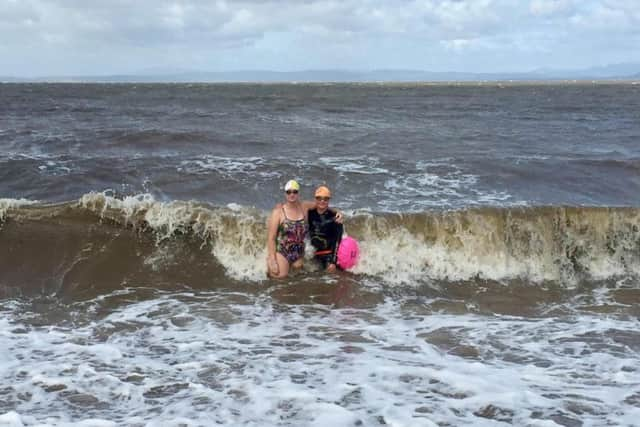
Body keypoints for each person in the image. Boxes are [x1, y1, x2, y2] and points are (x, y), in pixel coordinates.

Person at [266, 179, 308, 278]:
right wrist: (272, 260)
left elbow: (321, 205)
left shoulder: (304, 207)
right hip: (283, 251)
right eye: (288, 192)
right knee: (280, 277)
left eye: (295, 192)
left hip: (299, 253)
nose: (292, 194)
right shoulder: (278, 212)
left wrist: (337, 212)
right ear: (285, 194)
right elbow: (271, 238)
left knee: (298, 281)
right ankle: (268, 262)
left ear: (298, 193)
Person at [306, 185, 343, 273]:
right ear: (315, 199)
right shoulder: (309, 213)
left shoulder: (335, 218)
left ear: (329, 200)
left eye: (325, 199)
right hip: (312, 254)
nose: (322, 201)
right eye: (319, 198)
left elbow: (337, 240)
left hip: (327, 255)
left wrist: (333, 262)